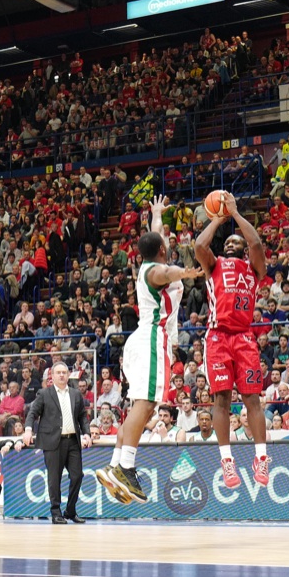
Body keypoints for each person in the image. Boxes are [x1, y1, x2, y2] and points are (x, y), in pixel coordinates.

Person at [97, 197, 202, 504]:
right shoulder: (156, 271)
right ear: (161, 252)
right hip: (152, 339)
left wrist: (156, 215)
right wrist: (186, 273)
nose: (167, 245)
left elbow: (158, 240)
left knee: (141, 408)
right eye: (164, 244)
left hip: (142, 341)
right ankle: (126, 468)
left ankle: (116, 463)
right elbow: (166, 274)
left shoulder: (149, 260)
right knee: (146, 405)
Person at [195, 190, 271, 488]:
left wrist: (236, 214)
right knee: (222, 399)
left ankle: (261, 458)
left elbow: (255, 242)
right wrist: (217, 219)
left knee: (253, 398)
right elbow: (200, 244)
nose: (230, 243)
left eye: (234, 241)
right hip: (217, 336)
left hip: (243, 337)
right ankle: (227, 461)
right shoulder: (213, 265)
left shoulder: (255, 268)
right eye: (228, 241)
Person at [21, 362, 92, 523]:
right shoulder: (44, 393)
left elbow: (82, 417)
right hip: (52, 441)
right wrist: (27, 429)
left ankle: (70, 510)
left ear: (68, 375)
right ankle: (56, 512)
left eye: (64, 372)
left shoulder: (75, 394)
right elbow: (32, 413)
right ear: (52, 376)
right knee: (54, 479)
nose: (61, 375)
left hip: (73, 440)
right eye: (58, 372)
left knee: (77, 476)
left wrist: (87, 434)